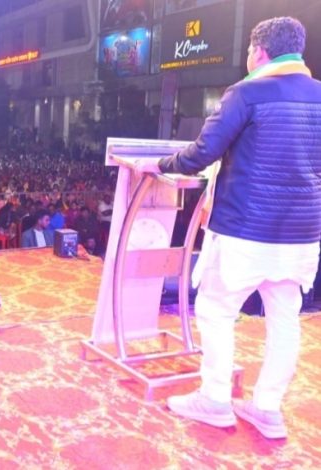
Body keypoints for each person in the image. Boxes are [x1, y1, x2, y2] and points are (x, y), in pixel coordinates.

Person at [135, 17, 321, 439]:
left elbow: (202, 153)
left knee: (216, 308)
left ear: (259, 51)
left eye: (250, 52)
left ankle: (215, 399)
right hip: (303, 233)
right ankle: (267, 408)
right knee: (284, 318)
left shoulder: (248, 92)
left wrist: (158, 164)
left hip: (245, 228)